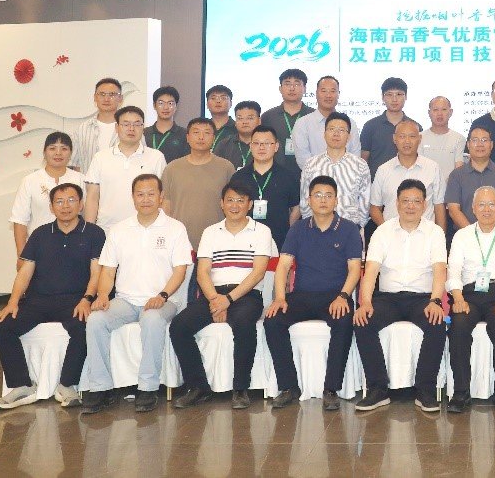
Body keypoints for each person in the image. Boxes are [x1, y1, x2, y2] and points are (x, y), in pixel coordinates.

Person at [82, 174, 192, 414]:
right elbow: (108, 270)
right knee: (96, 320)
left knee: (152, 319)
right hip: (126, 301)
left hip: (164, 300)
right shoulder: (119, 230)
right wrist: (103, 295)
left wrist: (162, 295)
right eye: (140, 194)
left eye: (151, 194)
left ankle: (147, 387)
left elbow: (180, 271)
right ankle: (100, 387)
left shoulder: (175, 228)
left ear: (161, 197)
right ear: (133, 198)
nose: (146, 199)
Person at [0, 183, 105, 409]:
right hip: (39, 300)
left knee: (84, 328)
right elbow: (25, 272)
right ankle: (22, 386)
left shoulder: (94, 233)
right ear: (52, 207)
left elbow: (97, 273)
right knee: (2, 328)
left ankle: (67, 386)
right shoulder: (40, 234)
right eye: (59, 202)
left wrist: (87, 299)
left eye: (71, 200)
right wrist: (13, 302)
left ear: (81, 205)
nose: (66, 206)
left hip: (75, 300)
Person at [263, 176, 363, 411]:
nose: (323, 200)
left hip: (335, 296)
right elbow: (283, 266)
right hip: (302, 296)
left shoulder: (349, 229)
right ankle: (288, 387)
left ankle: (331, 389)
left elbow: (354, 269)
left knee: (344, 320)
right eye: (318, 195)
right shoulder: (298, 229)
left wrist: (343, 296)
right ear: (309, 200)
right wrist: (280, 298)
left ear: (336, 200)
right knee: (273, 320)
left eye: (329, 195)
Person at [169, 181, 271, 410]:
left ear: (250, 205)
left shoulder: (262, 231)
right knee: (179, 326)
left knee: (243, 323)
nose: (235, 205)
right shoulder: (210, 232)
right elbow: (203, 272)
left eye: (241, 201)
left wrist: (228, 300)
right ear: (221, 204)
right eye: (230, 200)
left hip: (246, 294)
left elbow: (257, 273)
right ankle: (198, 387)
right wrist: (215, 300)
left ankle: (240, 388)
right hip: (213, 293)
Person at [353, 180, 449, 412]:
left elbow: (439, 271)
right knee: (363, 321)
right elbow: (371, 271)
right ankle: (378, 389)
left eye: (416, 201)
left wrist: (435, 301)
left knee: (436, 323)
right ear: (396, 203)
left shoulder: (435, 232)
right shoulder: (383, 231)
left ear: (424, 204)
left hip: (422, 298)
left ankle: (425, 390)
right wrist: (365, 302)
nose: (410, 206)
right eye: (405, 201)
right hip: (388, 298)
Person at [445, 186, 495, 414]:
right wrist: (458, 298)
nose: (487, 209)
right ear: (473, 209)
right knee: (458, 326)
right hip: (468, 294)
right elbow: (454, 271)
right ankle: (461, 392)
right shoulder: (462, 235)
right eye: (481, 204)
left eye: (492, 204)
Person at [84, 106, 167, 229]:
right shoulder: (100, 157)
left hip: (146, 228)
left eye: (137, 124)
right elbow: (92, 198)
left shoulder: (156, 157)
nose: (131, 129)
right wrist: (89, 232)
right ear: (117, 127)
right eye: (126, 124)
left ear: (143, 128)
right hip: (107, 229)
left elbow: (163, 197)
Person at [162, 118, 237, 249]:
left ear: (214, 138)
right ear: (187, 137)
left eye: (207, 133)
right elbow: (166, 205)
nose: (201, 137)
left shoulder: (226, 168)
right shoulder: (172, 168)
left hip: (218, 241)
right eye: (196, 132)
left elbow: (234, 205)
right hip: (180, 241)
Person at [11, 132, 84, 256]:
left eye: (64, 148)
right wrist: (22, 255)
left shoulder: (81, 179)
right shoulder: (30, 181)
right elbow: (19, 220)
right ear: (44, 153)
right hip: (39, 248)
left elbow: (86, 215)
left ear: (70, 153)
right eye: (52, 148)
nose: (58, 153)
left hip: (75, 248)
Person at [234, 125, 301, 250]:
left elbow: (297, 207)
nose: (261, 147)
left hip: (279, 241)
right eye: (256, 143)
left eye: (267, 143)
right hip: (244, 242)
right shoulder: (239, 177)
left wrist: (288, 226)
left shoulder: (288, 176)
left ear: (276, 146)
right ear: (250, 146)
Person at [298, 112, 371, 227]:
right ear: (324, 134)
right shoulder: (311, 164)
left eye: (341, 130)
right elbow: (305, 201)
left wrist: (358, 227)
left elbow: (365, 203)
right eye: (331, 129)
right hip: (317, 228)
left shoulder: (360, 165)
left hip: (350, 228)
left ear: (349, 136)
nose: (336, 134)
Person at [370, 120, 445, 229]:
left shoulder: (433, 168)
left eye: (412, 136)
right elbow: (375, 208)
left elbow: (439, 206)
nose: (407, 141)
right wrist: (387, 231)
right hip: (391, 234)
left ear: (420, 139)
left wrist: (440, 236)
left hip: (426, 235)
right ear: (394, 139)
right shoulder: (383, 170)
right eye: (402, 136)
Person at [445, 127, 495, 230]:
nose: (480, 144)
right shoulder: (456, 175)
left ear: (491, 145)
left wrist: (491, 230)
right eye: (475, 140)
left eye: (484, 140)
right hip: (466, 235)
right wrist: (473, 233)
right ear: (468, 145)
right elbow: (453, 210)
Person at [293, 76, 363, 166]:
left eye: (333, 91)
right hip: (313, 175)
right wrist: (326, 172)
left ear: (339, 94)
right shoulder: (302, 124)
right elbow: (303, 160)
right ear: (316, 93)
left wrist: (341, 172)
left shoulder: (350, 123)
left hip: (345, 174)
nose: (328, 95)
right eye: (324, 91)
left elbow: (355, 156)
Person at [260, 68, 315, 180]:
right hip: (274, 175)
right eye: (287, 84)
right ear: (280, 89)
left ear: (304, 88)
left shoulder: (314, 116)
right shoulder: (268, 116)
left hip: (309, 174)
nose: (292, 88)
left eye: (297, 84)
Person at [361, 77, 418, 181]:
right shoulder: (370, 126)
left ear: (406, 97)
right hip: (377, 183)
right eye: (389, 94)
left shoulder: (415, 127)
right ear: (383, 98)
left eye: (399, 94)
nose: (394, 99)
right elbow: (363, 160)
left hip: (408, 183)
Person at [71, 77, 122, 172]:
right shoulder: (82, 129)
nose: (106, 99)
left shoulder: (130, 129)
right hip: (88, 181)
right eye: (102, 94)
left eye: (112, 94)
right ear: (95, 97)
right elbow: (74, 164)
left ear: (120, 98)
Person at [421, 96, 466, 173]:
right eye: (435, 110)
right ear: (429, 113)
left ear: (451, 112)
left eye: (444, 109)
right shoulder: (419, 137)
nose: (439, 114)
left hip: (451, 181)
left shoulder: (459, 138)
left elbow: (459, 170)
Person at [215, 100, 262, 171]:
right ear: (235, 122)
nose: (245, 122)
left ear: (259, 121)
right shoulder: (224, 144)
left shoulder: (268, 144)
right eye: (240, 118)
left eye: (250, 118)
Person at [146, 86, 189, 163]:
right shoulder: (144, 133)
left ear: (176, 106)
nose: (166, 107)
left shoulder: (185, 135)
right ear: (154, 105)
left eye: (170, 103)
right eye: (161, 103)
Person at [205, 84, 238, 152]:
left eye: (223, 98)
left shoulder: (238, 129)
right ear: (207, 104)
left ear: (231, 103)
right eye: (213, 98)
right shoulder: (202, 128)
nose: (218, 101)